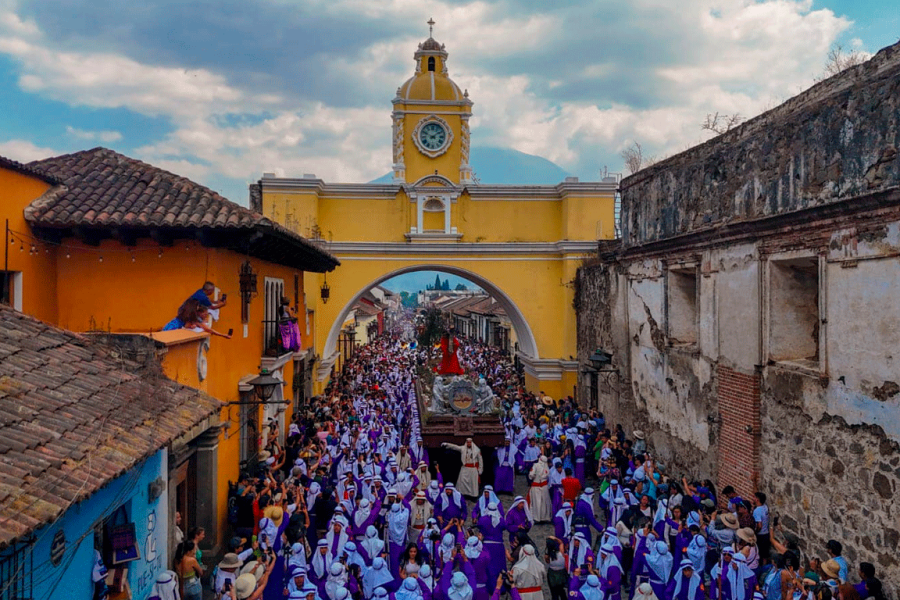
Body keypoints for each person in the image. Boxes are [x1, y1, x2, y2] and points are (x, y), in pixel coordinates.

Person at [527, 456, 552, 523]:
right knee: (544, 502)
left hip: (536, 486)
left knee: (537, 502)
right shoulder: (547, 468)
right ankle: (544, 517)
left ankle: (537, 518)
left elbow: (531, 475)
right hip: (544, 486)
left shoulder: (536, 465)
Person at [752, 493, 770, 563]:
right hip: (766, 533)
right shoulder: (765, 507)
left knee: (759, 553)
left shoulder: (757, 511)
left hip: (760, 535)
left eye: (755, 497)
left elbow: (759, 525)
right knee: (765, 553)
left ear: (757, 499)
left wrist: (755, 532)